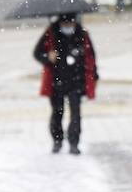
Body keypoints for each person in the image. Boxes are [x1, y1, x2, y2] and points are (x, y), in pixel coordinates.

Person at [33, 13, 98, 154]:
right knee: (57, 112)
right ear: (60, 24)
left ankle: (74, 143)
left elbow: (91, 56)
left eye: (71, 24)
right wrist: (47, 57)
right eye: (65, 25)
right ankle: (57, 140)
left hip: (76, 81)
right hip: (56, 81)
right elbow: (37, 53)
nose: (68, 27)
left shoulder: (82, 34)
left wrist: (93, 77)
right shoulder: (51, 33)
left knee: (76, 114)